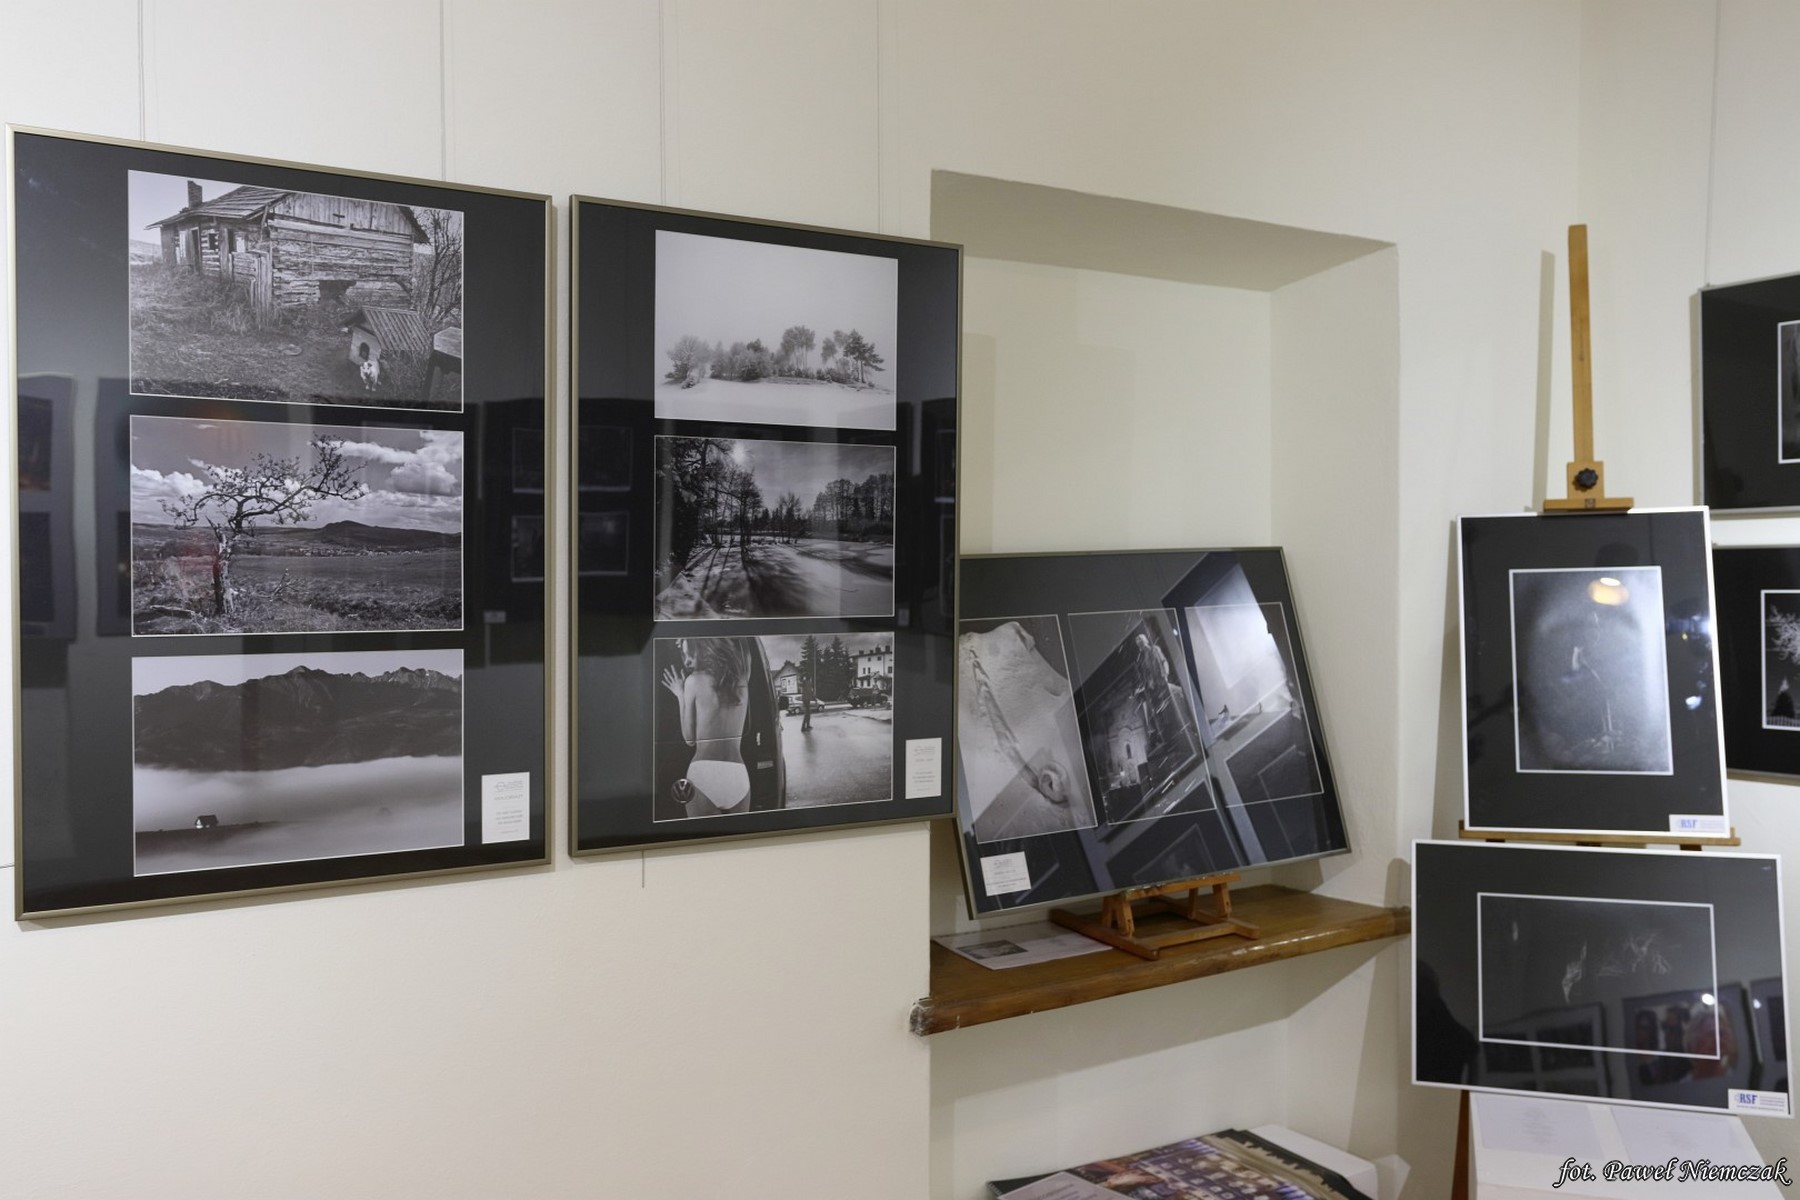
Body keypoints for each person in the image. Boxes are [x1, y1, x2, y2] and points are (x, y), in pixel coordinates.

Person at [661, 637, 753, 817]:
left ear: (703, 648)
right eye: (683, 654)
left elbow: (689, 739)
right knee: (741, 835)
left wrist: (680, 695)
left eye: (689, 653)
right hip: (738, 775)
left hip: (704, 774)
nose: (687, 661)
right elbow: (745, 647)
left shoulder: (693, 682)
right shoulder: (741, 678)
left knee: (705, 834)